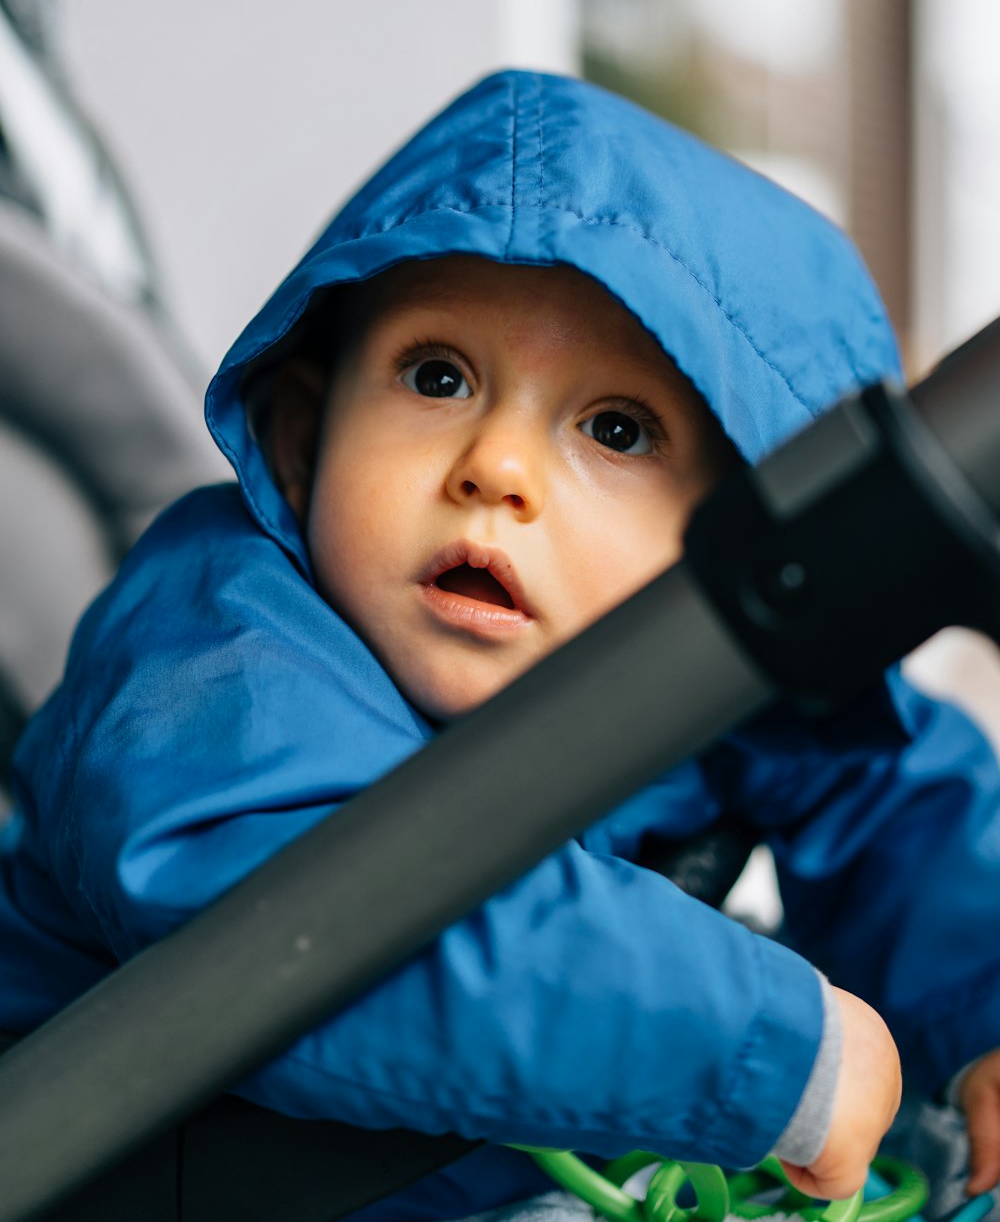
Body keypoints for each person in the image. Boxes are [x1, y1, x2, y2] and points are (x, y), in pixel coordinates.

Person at [1, 70, 1000, 1221]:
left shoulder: (687, 673)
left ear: (736, 525)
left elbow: (893, 788)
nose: (496, 469)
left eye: (614, 430)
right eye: (438, 377)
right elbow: (314, 928)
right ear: (303, 426)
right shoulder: (215, 657)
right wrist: (774, 1051)